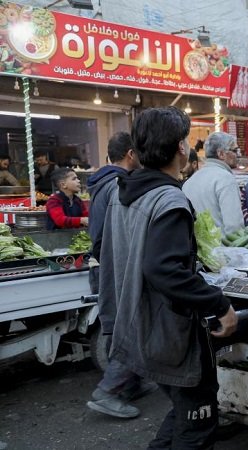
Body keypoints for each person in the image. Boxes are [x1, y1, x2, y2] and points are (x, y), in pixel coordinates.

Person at [98, 107, 237, 447]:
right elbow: (164, 269)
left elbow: (109, 255)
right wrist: (220, 305)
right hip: (169, 333)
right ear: (179, 147)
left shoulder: (122, 193)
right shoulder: (170, 200)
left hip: (136, 327)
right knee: (197, 421)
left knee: (184, 409)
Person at [85, 132, 153, 419]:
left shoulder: (100, 183)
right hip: (114, 263)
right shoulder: (117, 185)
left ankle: (130, 384)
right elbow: (112, 235)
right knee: (130, 326)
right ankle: (108, 391)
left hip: (103, 263)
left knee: (121, 326)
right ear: (130, 154)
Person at [182, 132, 245, 236]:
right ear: (221, 154)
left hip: (196, 249)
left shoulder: (189, 183)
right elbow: (234, 227)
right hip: (222, 250)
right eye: (234, 150)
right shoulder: (226, 179)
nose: (239, 154)